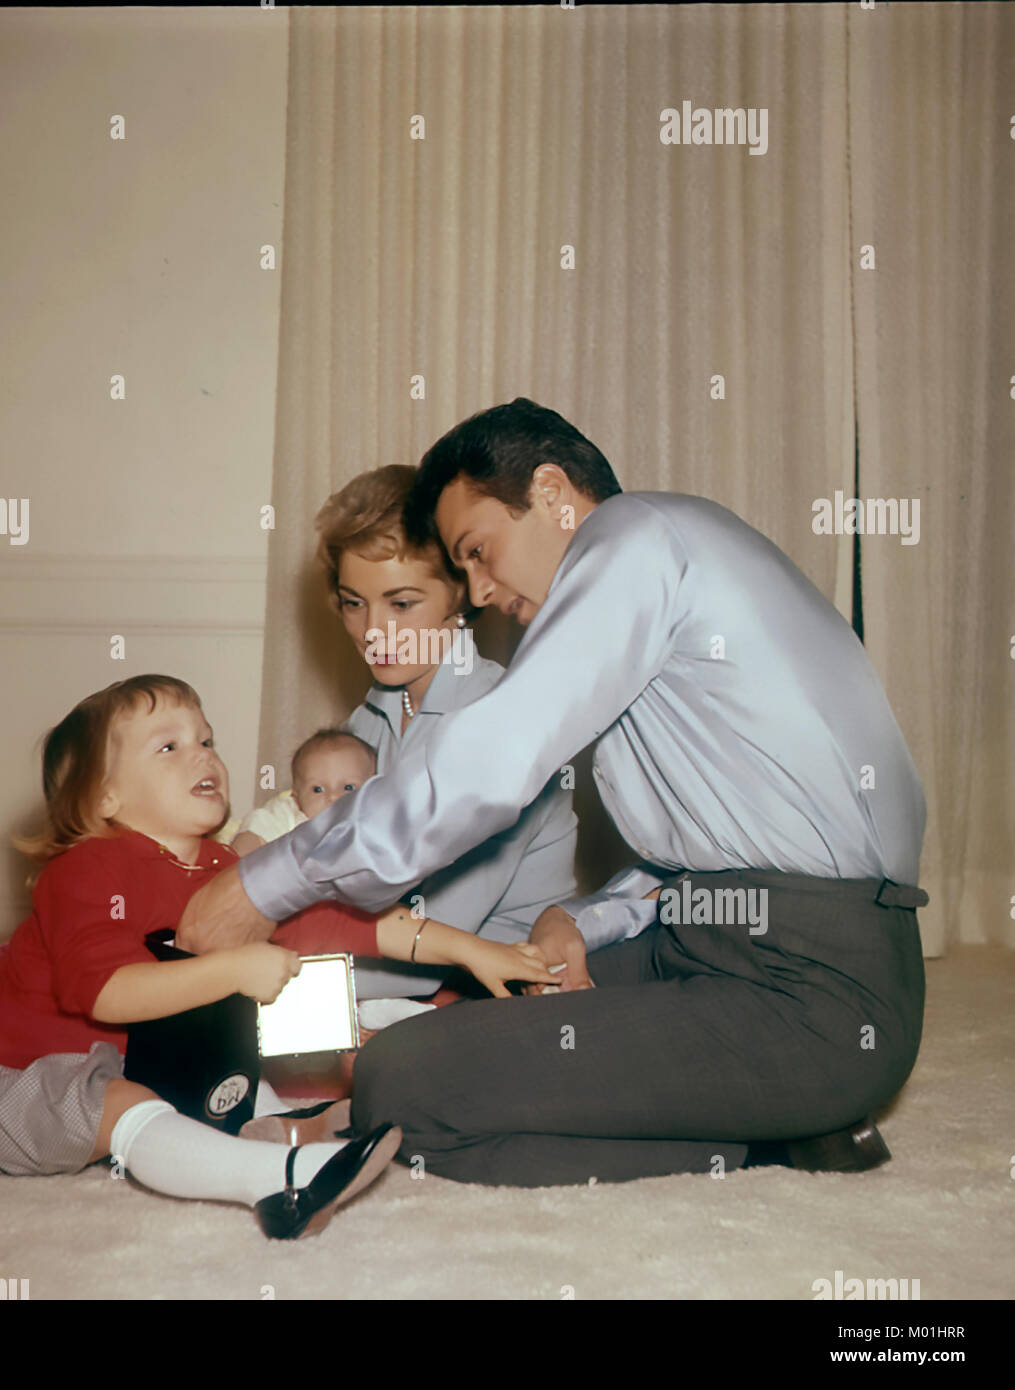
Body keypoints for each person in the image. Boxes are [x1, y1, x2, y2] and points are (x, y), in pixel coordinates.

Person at [178, 397, 929, 1188]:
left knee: (397, 1078)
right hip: (717, 945)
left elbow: (490, 764)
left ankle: (763, 1137)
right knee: (493, 1020)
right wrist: (577, 919)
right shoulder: (665, 585)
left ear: (548, 491)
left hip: (815, 992)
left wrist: (268, 879)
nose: (477, 589)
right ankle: (775, 1119)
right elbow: (716, 850)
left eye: (478, 550)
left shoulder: (635, 537)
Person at [0, 463, 595, 1092]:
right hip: (336, 952)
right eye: (353, 604)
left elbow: (393, 933)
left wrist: (207, 948)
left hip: (426, 988)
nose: (373, 631)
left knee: (85, 987)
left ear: (460, 594)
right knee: (47, 950)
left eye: (402, 601)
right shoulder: (366, 724)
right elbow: (296, 856)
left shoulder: (497, 723)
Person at [0, 674, 559, 1236]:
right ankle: (272, 1182)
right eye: (169, 747)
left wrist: (471, 951)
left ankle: (302, 1131)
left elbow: (348, 924)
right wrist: (230, 968)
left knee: (227, 1075)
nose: (204, 757)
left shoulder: (226, 867)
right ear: (103, 795)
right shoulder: (89, 869)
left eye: (207, 739)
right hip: (14, 1075)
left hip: (135, 1060)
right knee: (122, 1098)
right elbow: (102, 997)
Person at [229, 729, 378, 857]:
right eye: (317, 789)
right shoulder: (289, 816)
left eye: (348, 787)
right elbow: (251, 838)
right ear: (296, 798)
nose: (333, 797)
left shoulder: (376, 824)